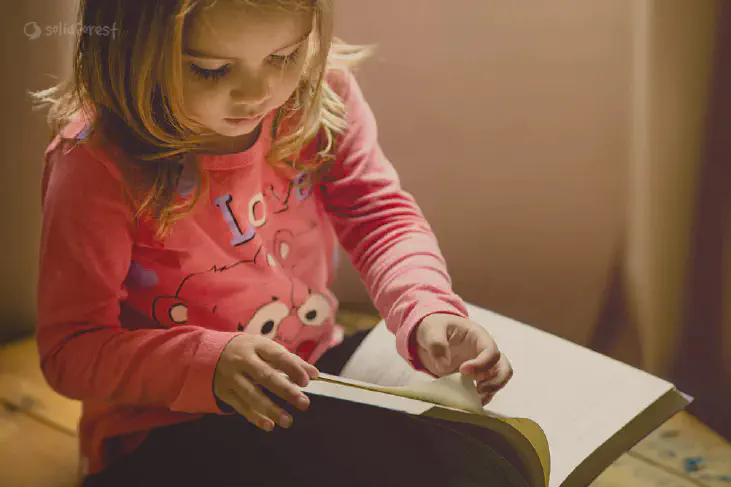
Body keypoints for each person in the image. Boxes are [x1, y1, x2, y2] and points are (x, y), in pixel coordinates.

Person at [32, 0, 514, 485]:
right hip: (165, 428)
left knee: (476, 459)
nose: (258, 94)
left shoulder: (317, 97)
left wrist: (427, 306)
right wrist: (207, 364)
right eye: (211, 69)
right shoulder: (96, 165)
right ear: (126, 49)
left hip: (316, 373)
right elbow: (71, 351)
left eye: (284, 56)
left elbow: (377, 213)